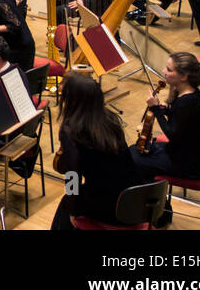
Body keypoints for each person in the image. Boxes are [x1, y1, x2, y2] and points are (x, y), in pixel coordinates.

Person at [51, 74, 146, 229]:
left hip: (110, 208)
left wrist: (72, 207)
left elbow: (72, 175)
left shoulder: (71, 129)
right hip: (133, 200)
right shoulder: (111, 119)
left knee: (65, 208)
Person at [130, 52, 200, 224]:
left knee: (134, 160)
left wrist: (157, 110)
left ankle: (157, 214)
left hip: (187, 164)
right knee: (133, 151)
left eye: (169, 69)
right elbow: (180, 119)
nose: (164, 71)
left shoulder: (187, 101)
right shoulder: (190, 94)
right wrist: (165, 108)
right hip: (184, 154)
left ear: (183, 76)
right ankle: (160, 211)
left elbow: (172, 134)